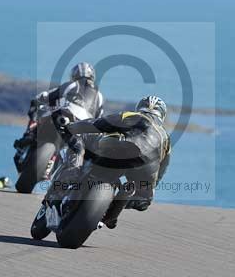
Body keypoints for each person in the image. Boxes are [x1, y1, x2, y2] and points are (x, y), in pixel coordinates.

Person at [48, 95, 171, 229]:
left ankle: (68, 179)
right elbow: (162, 168)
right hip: (147, 168)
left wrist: (70, 127)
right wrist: (149, 188)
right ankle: (113, 209)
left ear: (140, 107)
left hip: (120, 151)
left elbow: (99, 124)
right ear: (162, 114)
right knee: (143, 201)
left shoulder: (133, 116)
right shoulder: (166, 138)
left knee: (81, 141)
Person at [13, 61, 105, 161]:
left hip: (67, 116)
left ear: (74, 74)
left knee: (36, 106)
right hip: (83, 130)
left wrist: (39, 101)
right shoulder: (100, 96)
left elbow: (49, 96)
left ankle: (28, 135)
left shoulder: (73, 85)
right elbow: (99, 120)